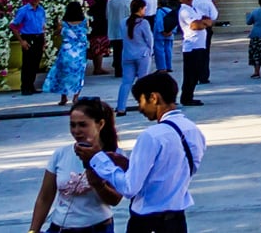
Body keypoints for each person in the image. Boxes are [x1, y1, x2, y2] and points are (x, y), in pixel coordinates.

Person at [82, 71, 206, 233]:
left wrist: (98, 158)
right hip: (177, 221)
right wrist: (128, 165)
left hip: (148, 222)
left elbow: (129, 188)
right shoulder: (193, 130)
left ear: (153, 98)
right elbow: (172, 171)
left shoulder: (152, 136)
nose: (140, 108)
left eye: (140, 101)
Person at [29, 97, 122, 233]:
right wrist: (33, 230)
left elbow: (115, 199)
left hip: (96, 228)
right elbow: (45, 197)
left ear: (100, 124)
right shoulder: (61, 154)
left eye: (83, 125)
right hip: (59, 227)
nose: (76, 131)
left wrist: (97, 182)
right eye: (72, 125)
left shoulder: (114, 156)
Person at [48, 1, 91, 105]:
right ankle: (76, 97)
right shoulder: (84, 21)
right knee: (78, 74)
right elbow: (87, 32)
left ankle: (63, 97)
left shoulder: (63, 23)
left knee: (63, 74)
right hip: (80, 52)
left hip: (66, 51)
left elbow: (57, 33)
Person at [119, 0, 156, 116]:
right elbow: (149, 39)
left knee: (126, 82)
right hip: (142, 55)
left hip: (127, 55)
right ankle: (144, 105)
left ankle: (121, 108)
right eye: (144, 8)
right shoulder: (143, 22)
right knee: (143, 82)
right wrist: (150, 51)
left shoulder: (123, 22)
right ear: (140, 9)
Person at [175, 0, 212, 107]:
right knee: (190, 74)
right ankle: (186, 98)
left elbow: (209, 20)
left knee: (196, 73)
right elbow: (196, 25)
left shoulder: (194, 9)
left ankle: (190, 96)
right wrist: (203, 23)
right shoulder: (184, 11)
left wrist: (204, 22)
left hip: (199, 45)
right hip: (192, 46)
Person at [13, 0, 49, 96]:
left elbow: (43, 26)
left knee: (35, 63)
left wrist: (44, 41)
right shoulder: (23, 10)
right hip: (28, 37)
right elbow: (14, 26)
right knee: (27, 63)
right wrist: (21, 41)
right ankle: (25, 87)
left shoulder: (41, 10)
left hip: (39, 37)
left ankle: (31, 85)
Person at [106, 0, 133, 75]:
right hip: (126, 28)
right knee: (126, 50)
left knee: (116, 51)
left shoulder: (110, 1)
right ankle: (125, 68)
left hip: (114, 28)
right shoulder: (129, 0)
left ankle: (118, 69)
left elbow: (107, 14)